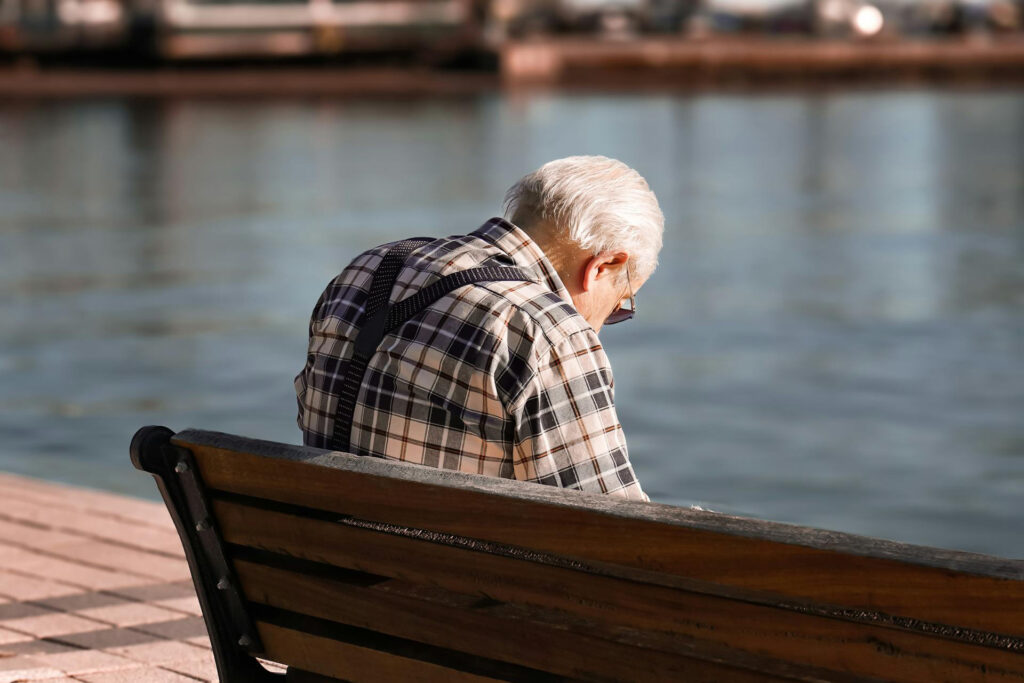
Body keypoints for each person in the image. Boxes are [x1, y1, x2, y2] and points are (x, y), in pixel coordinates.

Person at [295, 155, 663, 500]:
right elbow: (610, 525)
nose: (601, 327)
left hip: (311, 540)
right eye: (619, 306)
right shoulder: (547, 329)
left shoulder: (368, 268)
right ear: (602, 266)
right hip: (438, 549)